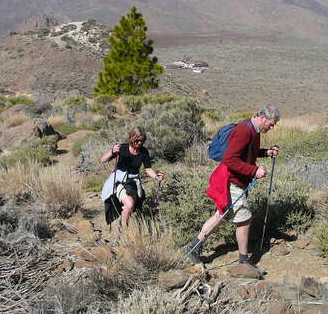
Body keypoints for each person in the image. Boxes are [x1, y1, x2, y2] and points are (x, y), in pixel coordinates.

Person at [184, 105, 280, 271]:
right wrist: (254, 170)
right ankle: (243, 261)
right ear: (262, 117)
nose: (272, 128)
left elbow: (247, 151)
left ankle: (192, 247)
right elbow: (230, 159)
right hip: (231, 180)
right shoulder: (244, 130)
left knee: (223, 215)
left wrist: (266, 153)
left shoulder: (254, 130)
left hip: (237, 180)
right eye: (271, 124)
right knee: (244, 218)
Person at [101, 126, 164, 228]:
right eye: (137, 140)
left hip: (133, 182)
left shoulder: (144, 151)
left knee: (131, 207)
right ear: (132, 138)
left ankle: (122, 225)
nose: (139, 143)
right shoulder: (122, 148)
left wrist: (156, 176)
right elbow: (103, 159)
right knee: (129, 204)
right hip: (119, 181)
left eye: (142, 141)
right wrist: (112, 151)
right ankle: (125, 231)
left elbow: (148, 169)